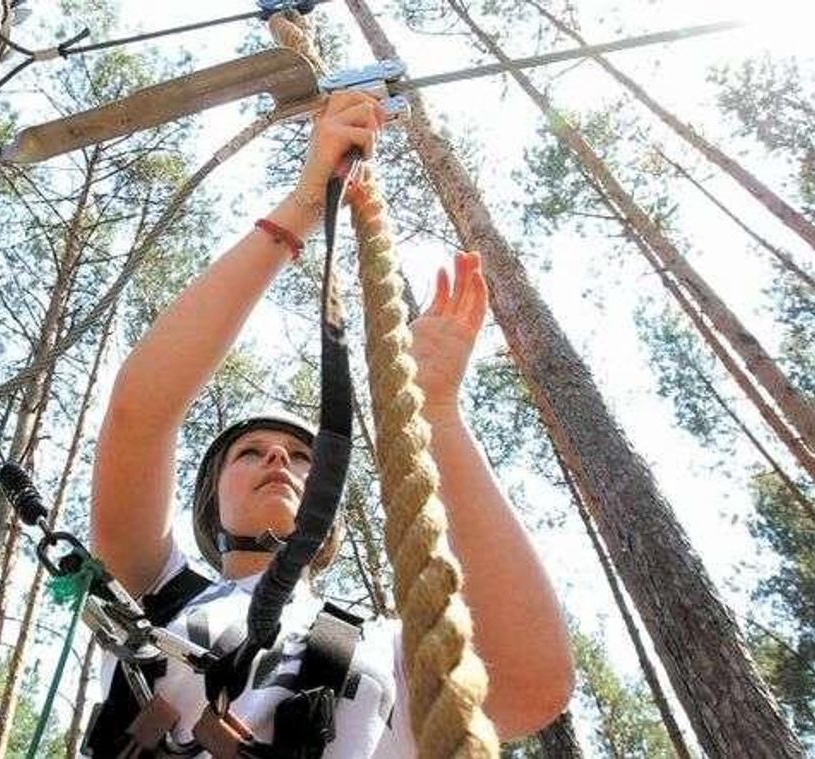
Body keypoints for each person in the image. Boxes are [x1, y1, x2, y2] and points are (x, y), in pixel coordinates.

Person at [88, 91, 574, 757]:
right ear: (211, 496)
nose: (277, 460)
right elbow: (138, 415)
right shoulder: (153, 591)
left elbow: (529, 683)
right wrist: (299, 208)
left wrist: (435, 415)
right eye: (250, 451)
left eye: (298, 453)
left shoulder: (390, 645)